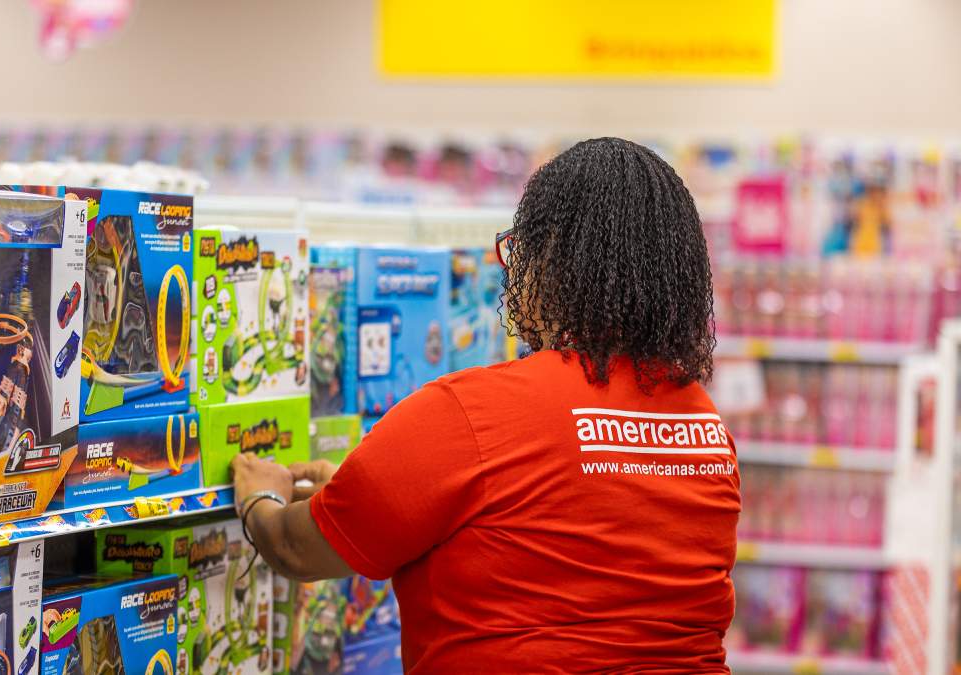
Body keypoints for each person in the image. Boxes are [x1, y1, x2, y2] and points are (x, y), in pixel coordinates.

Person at [232, 137, 740, 673]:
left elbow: (295, 549)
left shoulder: (470, 412)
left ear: (550, 264)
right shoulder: (707, 431)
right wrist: (355, 492)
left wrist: (259, 495)